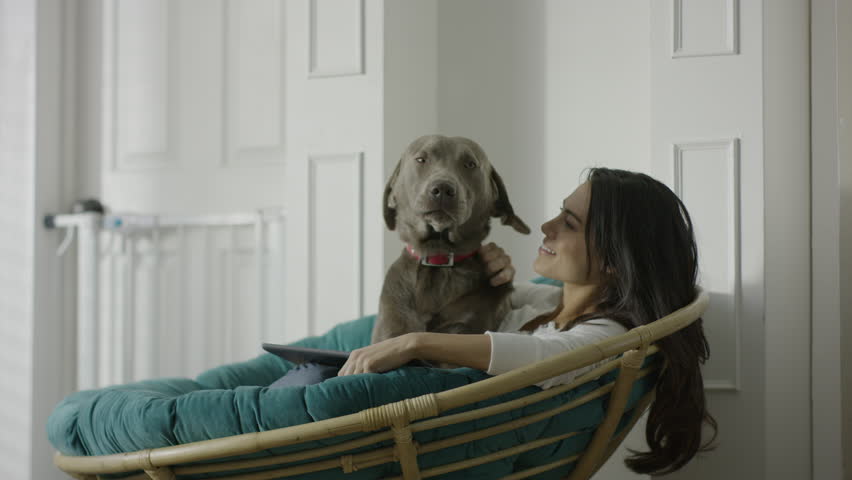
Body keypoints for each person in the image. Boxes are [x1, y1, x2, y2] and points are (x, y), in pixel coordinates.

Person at [336, 167, 717, 475]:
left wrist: (414, 343)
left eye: (569, 223)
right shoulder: (545, 301)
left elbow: (544, 355)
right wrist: (482, 269)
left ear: (613, 259)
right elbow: (460, 298)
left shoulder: (608, 334)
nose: (546, 226)